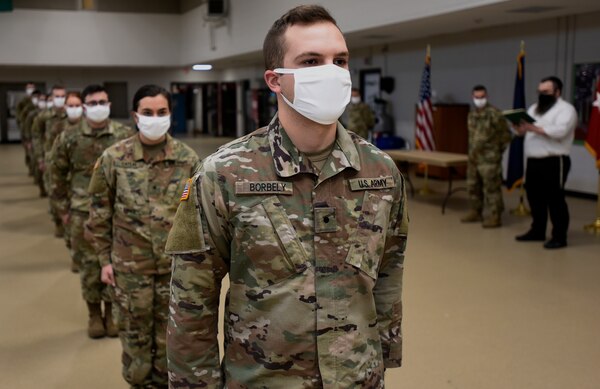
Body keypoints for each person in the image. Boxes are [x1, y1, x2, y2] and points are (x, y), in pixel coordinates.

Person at [165, 5, 409, 388]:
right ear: (275, 80)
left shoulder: (380, 171)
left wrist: (383, 354)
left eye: (339, 60)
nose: (331, 72)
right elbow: (192, 301)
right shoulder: (222, 174)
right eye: (311, 61)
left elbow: (389, 271)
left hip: (357, 376)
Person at [86, 85, 199, 388]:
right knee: (134, 337)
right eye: (147, 113)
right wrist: (103, 260)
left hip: (172, 268)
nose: (154, 118)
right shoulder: (114, 158)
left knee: (169, 337)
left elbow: (197, 216)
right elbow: (98, 213)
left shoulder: (187, 159)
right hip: (129, 268)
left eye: (161, 112)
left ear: (170, 115)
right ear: (136, 117)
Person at [49, 84, 134, 338]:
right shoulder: (69, 137)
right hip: (81, 211)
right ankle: (94, 314)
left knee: (114, 263)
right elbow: (57, 175)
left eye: (103, 102)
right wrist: (63, 209)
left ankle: (111, 313)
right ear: (84, 106)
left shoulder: (123, 135)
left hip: (116, 212)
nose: (99, 107)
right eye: (94, 103)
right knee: (88, 265)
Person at [515, 76, 577, 249]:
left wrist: (532, 128)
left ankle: (559, 236)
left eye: (546, 92)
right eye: (540, 92)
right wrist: (520, 129)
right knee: (534, 198)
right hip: (533, 160)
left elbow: (560, 131)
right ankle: (537, 230)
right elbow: (525, 131)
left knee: (555, 199)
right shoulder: (534, 108)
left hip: (554, 160)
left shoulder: (566, 109)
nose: (542, 95)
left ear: (557, 92)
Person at [461, 85, 511, 227]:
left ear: (486, 97)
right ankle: (475, 211)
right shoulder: (471, 114)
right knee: (473, 186)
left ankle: (496, 216)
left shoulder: (495, 114)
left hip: (489, 159)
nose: (479, 100)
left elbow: (506, 135)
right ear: (473, 97)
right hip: (473, 158)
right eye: (477, 97)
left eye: (482, 97)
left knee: (491, 188)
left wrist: (495, 152)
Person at [47, 91, 84, 270]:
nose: (74, 109)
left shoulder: (90, 129)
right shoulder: (58, 127)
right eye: (71, 105)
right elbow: (52, 158)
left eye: (78, 105)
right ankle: (75, 255)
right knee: (72, 229)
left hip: (84, 189)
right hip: (67, 186)